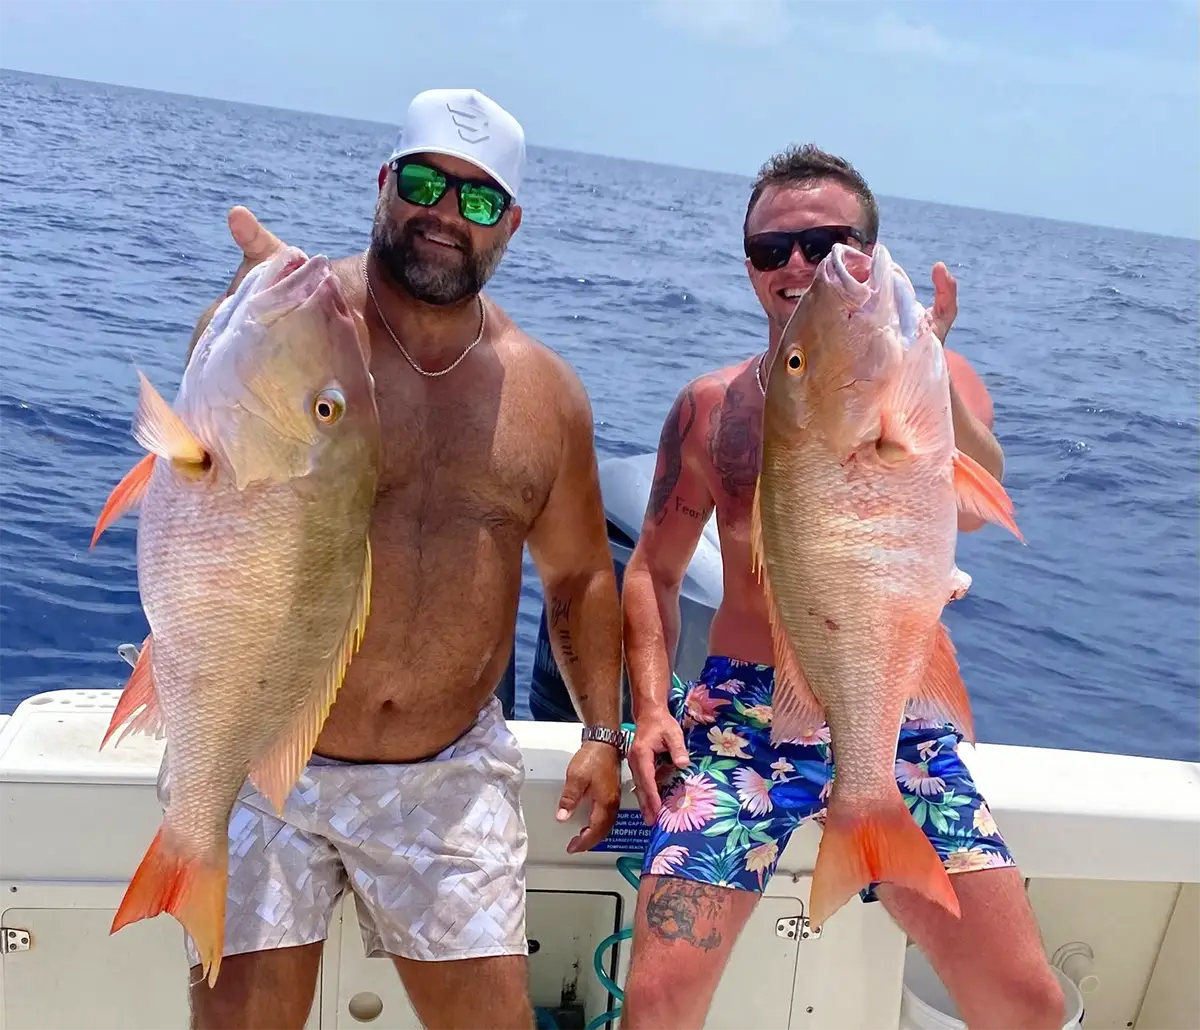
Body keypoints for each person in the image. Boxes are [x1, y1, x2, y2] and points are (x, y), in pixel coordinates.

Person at [170, 88, 626, 1030]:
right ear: (385, 183)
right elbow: (200, 452)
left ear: (511, 224)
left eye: (481, 198)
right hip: (265, 757)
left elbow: (580, 572)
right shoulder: (292, 326)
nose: (448, 213)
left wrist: (602, 731)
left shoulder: (547, 394)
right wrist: (238, 305)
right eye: (426, 181)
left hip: (445, 778)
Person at [618, 144, 1066, 1030]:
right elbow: (651, 572)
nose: (797, 266)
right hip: (747, 712)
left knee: (1027, 1002)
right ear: (748, 265)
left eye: (828, 244)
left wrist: (930, 376)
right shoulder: (709, 407)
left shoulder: (940, 382)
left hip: (893, 707)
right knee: (657, 1001)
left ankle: (873, 821)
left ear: (869, 249)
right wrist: (648, 708)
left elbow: (979, 502)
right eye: (771, 249)